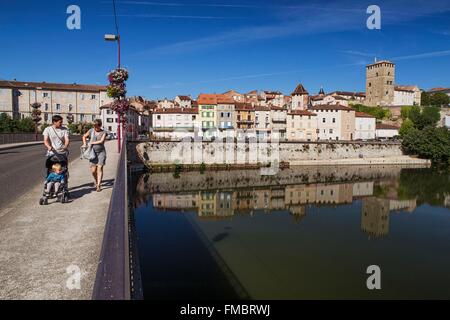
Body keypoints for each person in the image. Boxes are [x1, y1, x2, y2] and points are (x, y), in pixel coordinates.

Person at [82, 119, 107, 192]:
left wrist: (92, 142)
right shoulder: (91, 131)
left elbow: (101, 141)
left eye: (97, 127)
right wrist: (85, 143)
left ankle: (98, 185)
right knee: (93, 171)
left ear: (100, 125)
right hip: (92, 153)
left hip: (101, 152)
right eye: (94, 126)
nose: (96, 128)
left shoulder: (104, 132)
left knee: (100, 168)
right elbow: (84, 136)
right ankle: (96, 181)